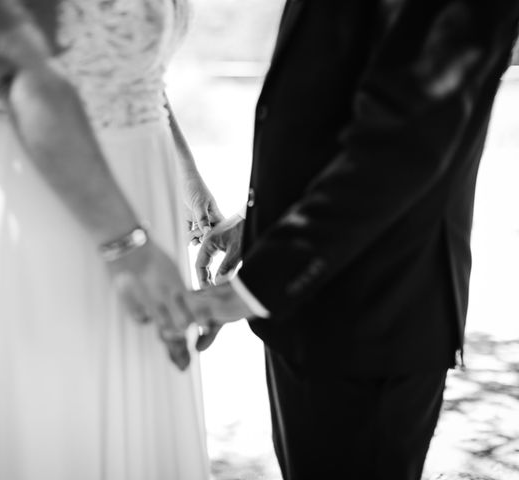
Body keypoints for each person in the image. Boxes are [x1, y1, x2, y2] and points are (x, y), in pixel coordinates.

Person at [0, 0, 218, 478]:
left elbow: (129, 69)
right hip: (16, 212)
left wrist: (187, 179)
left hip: (132, 209)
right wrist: (128, 246)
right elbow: (22, 74)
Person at [189, 1, 519, 479]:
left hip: (377, 315)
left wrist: (255, 287)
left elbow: (402, 147)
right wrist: (264, 223)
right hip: (300, 320)